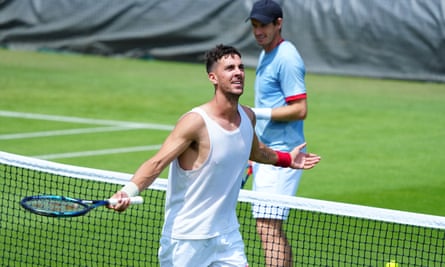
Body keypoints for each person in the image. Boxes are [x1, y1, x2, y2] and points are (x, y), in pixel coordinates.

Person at [108, 44, 320, 267]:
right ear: (213, 77)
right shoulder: (195, 122)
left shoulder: (247, 117)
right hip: (186, 241)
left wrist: (287, 159)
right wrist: (127, 191)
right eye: (229, 68)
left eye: (240, 67)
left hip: (227, 238)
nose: (238, 72)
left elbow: (258, 152)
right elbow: (157, 162)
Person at [246, 0, 310, 266]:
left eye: (264, 26)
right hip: (267, 153)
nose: (259, 31)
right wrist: (254, 152)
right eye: (255, 26)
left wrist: (254, 113)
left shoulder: (287, 58)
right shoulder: (266, 53)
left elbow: (300, 109)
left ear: (278, 24)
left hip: (284, 153)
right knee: (267, 227)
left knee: (267, 226)